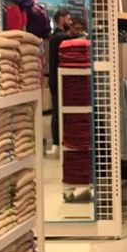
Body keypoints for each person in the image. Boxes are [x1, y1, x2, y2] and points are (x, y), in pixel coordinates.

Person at [47, 8, 73, 151]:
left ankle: (57, 142)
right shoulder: (61, 38)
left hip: (54, 79)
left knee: (56, 111)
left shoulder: (54, 37)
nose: (70, 22)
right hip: (59, 80)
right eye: (68, 19)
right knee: (58, 111)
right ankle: (57, 142)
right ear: (61, 19)